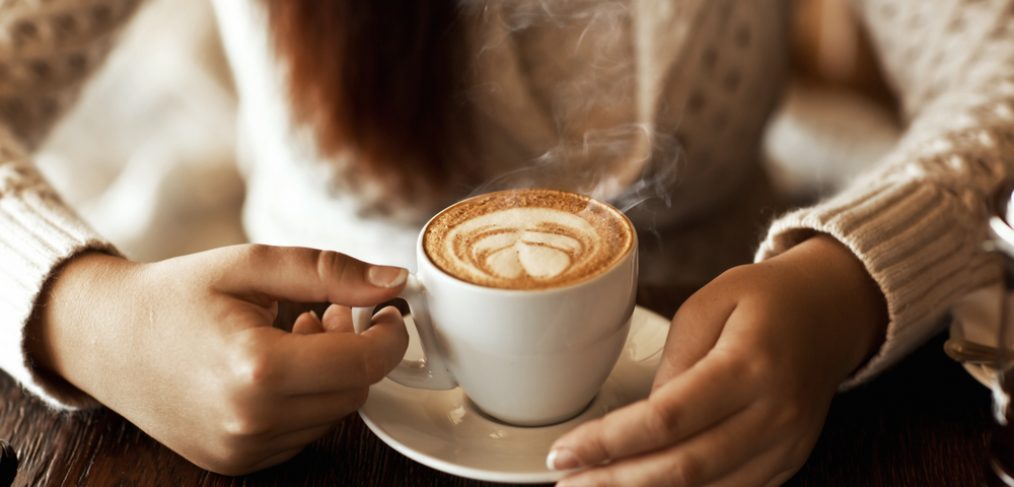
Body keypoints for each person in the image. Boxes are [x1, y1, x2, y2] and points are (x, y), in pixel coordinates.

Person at [0, 0, 1010, 485]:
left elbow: (997, 70)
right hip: (311, 407)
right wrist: (88, 315)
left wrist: (843, 284)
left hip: (740, 358)